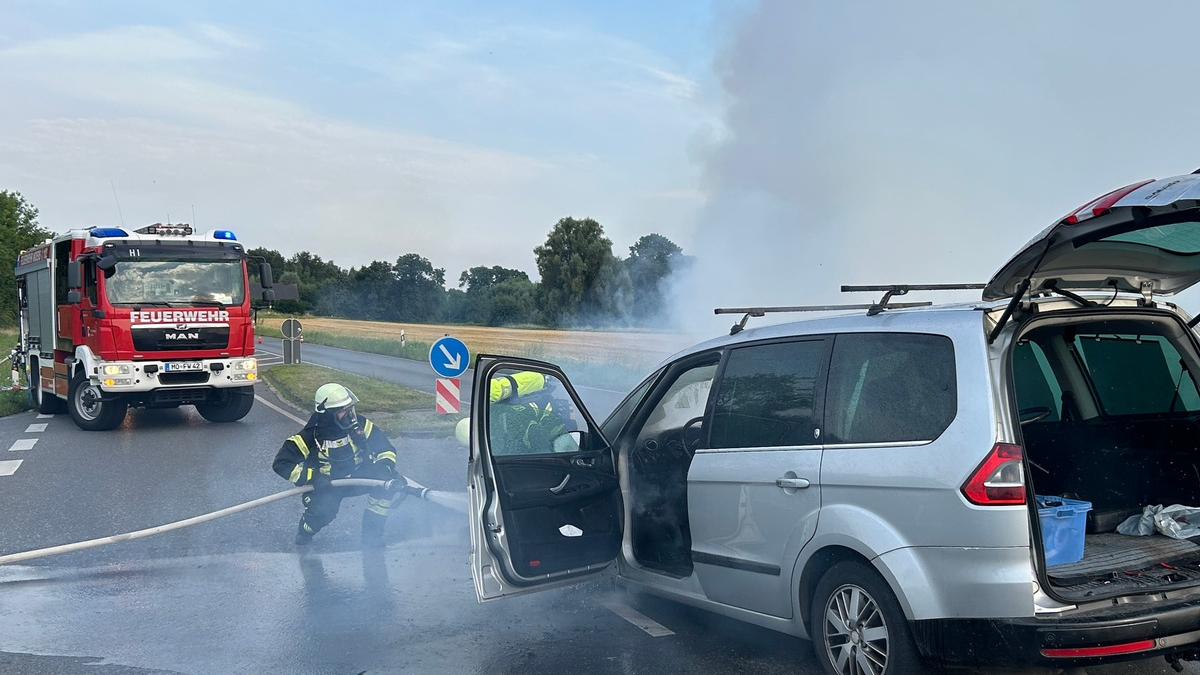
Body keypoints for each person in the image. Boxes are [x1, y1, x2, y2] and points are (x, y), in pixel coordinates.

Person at [272, 382, 401, 548]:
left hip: (357, 478)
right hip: (327, 486)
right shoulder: (309, 436)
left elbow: (385, 448)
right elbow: (281, 464)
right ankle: (306, 530)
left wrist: (384, 468)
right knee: (323, 513)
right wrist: (314, 477)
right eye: (343, 411)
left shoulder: (360, 425)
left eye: (350, 409)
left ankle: (372, 536)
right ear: (328, 414)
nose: (350, 415)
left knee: (386, 484)